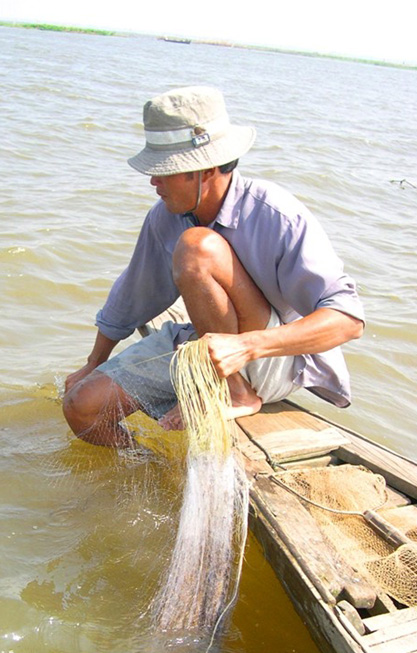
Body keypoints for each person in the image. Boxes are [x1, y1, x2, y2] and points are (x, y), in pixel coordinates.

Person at [63, 86, 364, 447]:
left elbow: (348, 321)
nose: (153, 181)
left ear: (203, 170)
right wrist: (94, 361)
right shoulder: (165, 218)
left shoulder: (277, 213)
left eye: (164, 170)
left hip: (273, 356)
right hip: (210, 346)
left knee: (197, 248)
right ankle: (154, 471)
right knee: (81, 406)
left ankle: (234, 392)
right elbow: (134, 294)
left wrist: (248, 346)